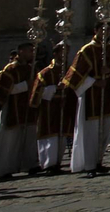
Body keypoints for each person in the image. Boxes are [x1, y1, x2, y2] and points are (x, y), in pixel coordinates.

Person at [63, 24, 110, 177]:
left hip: (108, 94)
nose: (106, 33)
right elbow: (74, 76)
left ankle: (99, 161)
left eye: (108, 30)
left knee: (106, 128)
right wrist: (94, 82)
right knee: (91, 132)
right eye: (102, 30)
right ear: (95, 30)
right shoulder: (86, 51)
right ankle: (89, 164)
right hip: (91, 96)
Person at [0, 44, 39, 179]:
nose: (32, 53)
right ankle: (4, 169)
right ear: (21, 51)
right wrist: (27, 85)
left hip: (27, 108)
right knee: (9, 141)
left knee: (28, 137)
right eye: (29, 51)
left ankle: (29, 164)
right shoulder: (9, 70)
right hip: (12, 109)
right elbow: (4, 90)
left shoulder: (30, 68)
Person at [29, 43, 76, 174]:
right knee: (50, 137)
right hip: (48, 109)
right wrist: (56, 88)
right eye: (62, 52)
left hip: (63, 107)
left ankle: (57, 163)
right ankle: (48, 164)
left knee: (60, 137)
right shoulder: (45, 73)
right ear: (55, 54)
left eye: (67, 52)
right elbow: (37, 92)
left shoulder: (68, 71)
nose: (65, 55)